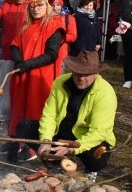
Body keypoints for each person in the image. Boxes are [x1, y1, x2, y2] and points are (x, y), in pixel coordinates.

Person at [28, 50, 116, 180]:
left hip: (87, 138)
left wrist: (71, 149)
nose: (81, 78)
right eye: (78, 72)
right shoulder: (60, 82)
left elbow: (98, 132)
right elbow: (49, 114)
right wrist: (45, 140)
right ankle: (56, 163)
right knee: (25, 127)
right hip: (62, 133)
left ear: (96, 73)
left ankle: (90, 170)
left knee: (97, 160)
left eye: (86, 74)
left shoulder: (105, 93)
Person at [0, 0, 61, 122]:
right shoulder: (5, 5)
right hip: (10, 56)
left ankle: (24, 123)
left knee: (31, 96)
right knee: (9, 94)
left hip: (33, 58)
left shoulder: (33, 2)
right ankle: (9, 120)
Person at [7, 0, 65, 162]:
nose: (36, 9)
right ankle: (15, 144)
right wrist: (18, 61)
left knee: (36, 111)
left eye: (39, 5)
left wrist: (27, 65)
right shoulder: (26, 26)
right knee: (18, 109)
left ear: (46, 6)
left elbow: (51, 54)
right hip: (22, 76)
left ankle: (33, 148)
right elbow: (15, 44)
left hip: (39, 77)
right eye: (32, 6)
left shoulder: (54, 24)